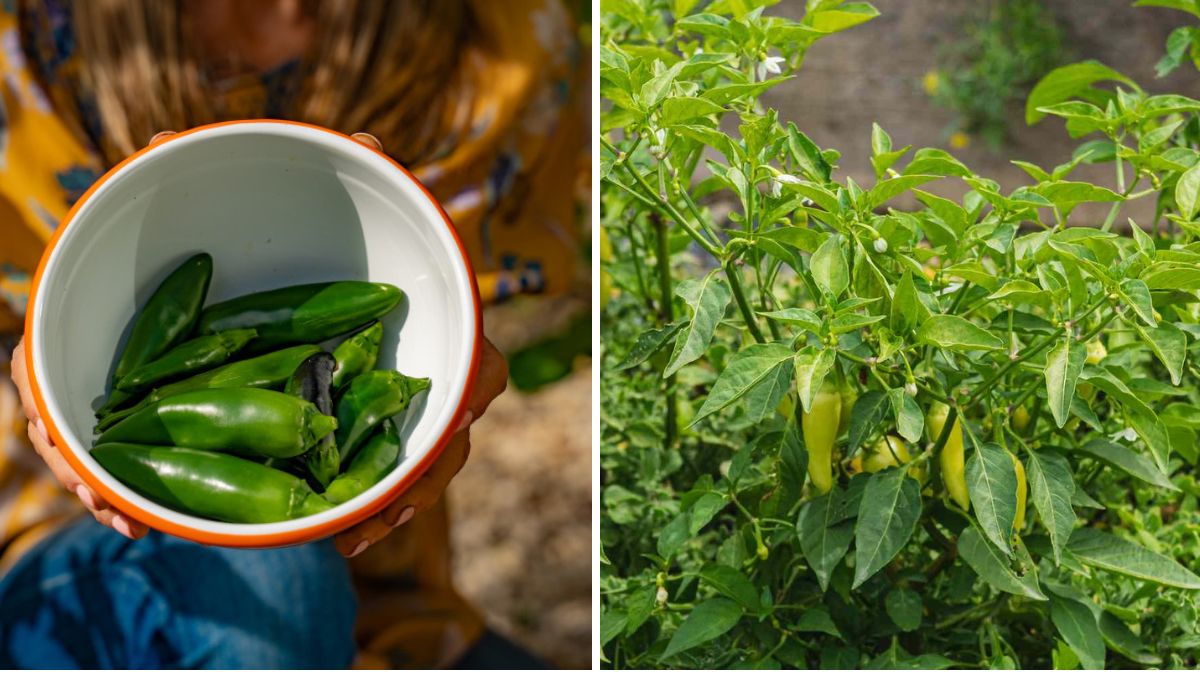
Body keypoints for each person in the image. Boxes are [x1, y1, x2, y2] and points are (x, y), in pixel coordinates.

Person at [0, 0, 585, 668]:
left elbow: (442, 304)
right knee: (269, 574)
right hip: (68, 556)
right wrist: (37, 377)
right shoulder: (23, 45)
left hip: (380, 593)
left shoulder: (494, 55)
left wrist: (458, 377)